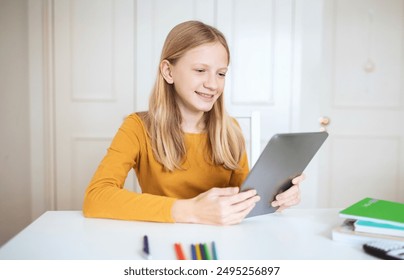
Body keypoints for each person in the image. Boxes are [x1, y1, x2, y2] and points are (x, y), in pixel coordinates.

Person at [83, 20, 303, 225]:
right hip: (163, 238)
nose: (213, 84)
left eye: (221, 73)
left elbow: (243, 198)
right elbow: (96, 197)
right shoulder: (137, 128)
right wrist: (191, 210)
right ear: (168, 72)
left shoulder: (230, 131)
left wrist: (275, 197)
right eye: (200, 70)